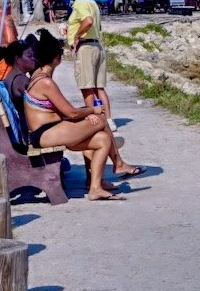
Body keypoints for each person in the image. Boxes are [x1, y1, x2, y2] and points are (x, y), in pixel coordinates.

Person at [21, 30, 133, 199]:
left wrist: (85, 115)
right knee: (100, 119)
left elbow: (66, 111)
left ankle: (95, 187)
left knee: (102, 139)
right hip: (46, 133)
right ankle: (118, 163)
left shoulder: (39, 76)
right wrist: (92, 111)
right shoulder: (45, 82)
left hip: (50, 130)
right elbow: (71, 113)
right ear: (56, 58)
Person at [65, 0, 112, 127]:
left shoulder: (80, 2)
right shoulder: (92, 2)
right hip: (96, 45)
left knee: (86, 87)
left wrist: (77, 36)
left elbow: (88, 21)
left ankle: (93, 120)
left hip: (86, 47)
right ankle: (109, 120)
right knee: (99, 88)